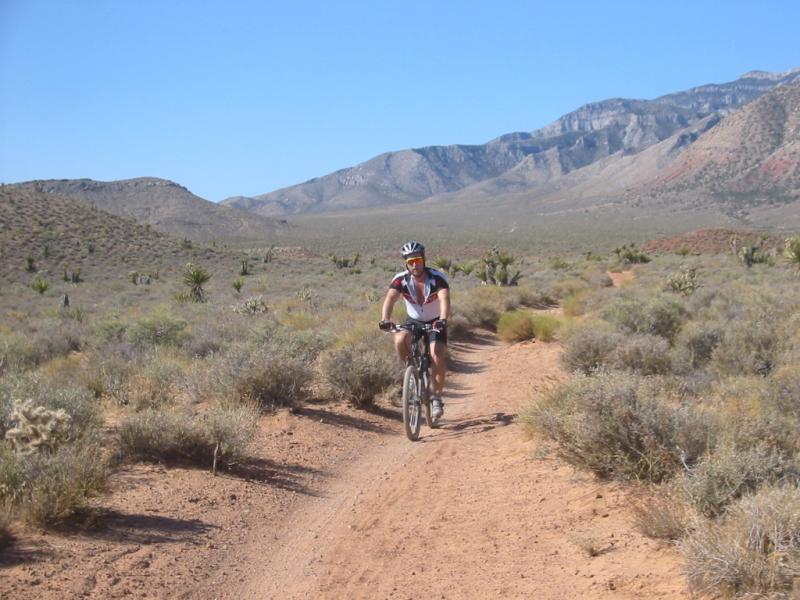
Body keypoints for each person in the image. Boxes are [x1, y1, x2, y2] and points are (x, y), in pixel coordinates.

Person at [379, 241, 450, 419]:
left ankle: (436, 398)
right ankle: (411, 372)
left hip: (435, 321)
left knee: (437, 354)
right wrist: (385, 320)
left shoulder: (437, 278)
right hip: (414, 321)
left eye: (417, 260)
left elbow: (444, 299)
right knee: (400, 339)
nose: (414, 264)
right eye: (410, 262)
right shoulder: (401, 279)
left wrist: (443, 320)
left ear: (424, 259)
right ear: (406, 263)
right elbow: (390, 299)